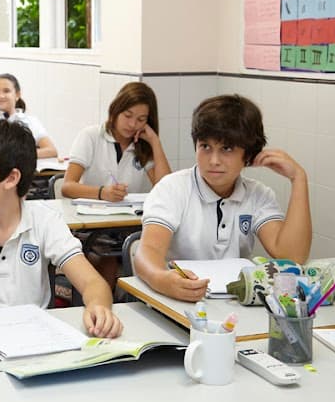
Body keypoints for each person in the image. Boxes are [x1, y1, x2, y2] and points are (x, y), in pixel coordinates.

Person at [0, 119, 123, 338]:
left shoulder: (45, 222)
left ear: (11, 178)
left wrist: (99, 307)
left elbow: (92, 282)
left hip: (32, 340)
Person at [133, 94, 312, 302]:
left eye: (226, 149)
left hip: (236, 305)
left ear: (248, 155)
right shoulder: (172, 189)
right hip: (178, 301)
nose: (214, 160)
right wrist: (163, 279)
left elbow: (292, 257)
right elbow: (148, 251)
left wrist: (298, 179)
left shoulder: (258, 195)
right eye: (205, 147)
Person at [0, 11, 57, 159]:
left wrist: (16, 156)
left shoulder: (29, 121)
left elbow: (51, 150)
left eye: (6, 91)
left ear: (17, 94)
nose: (0, 95)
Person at [62, 81, 172, 202]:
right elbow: (67, 187)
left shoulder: (144, 144)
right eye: (127, 115)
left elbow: (166, 192)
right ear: (116, 110)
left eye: (141, 119)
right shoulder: (90, 136)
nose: (132, 124)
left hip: (131, 218)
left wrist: (155, 142)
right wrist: (102, 193)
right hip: (91, 216)